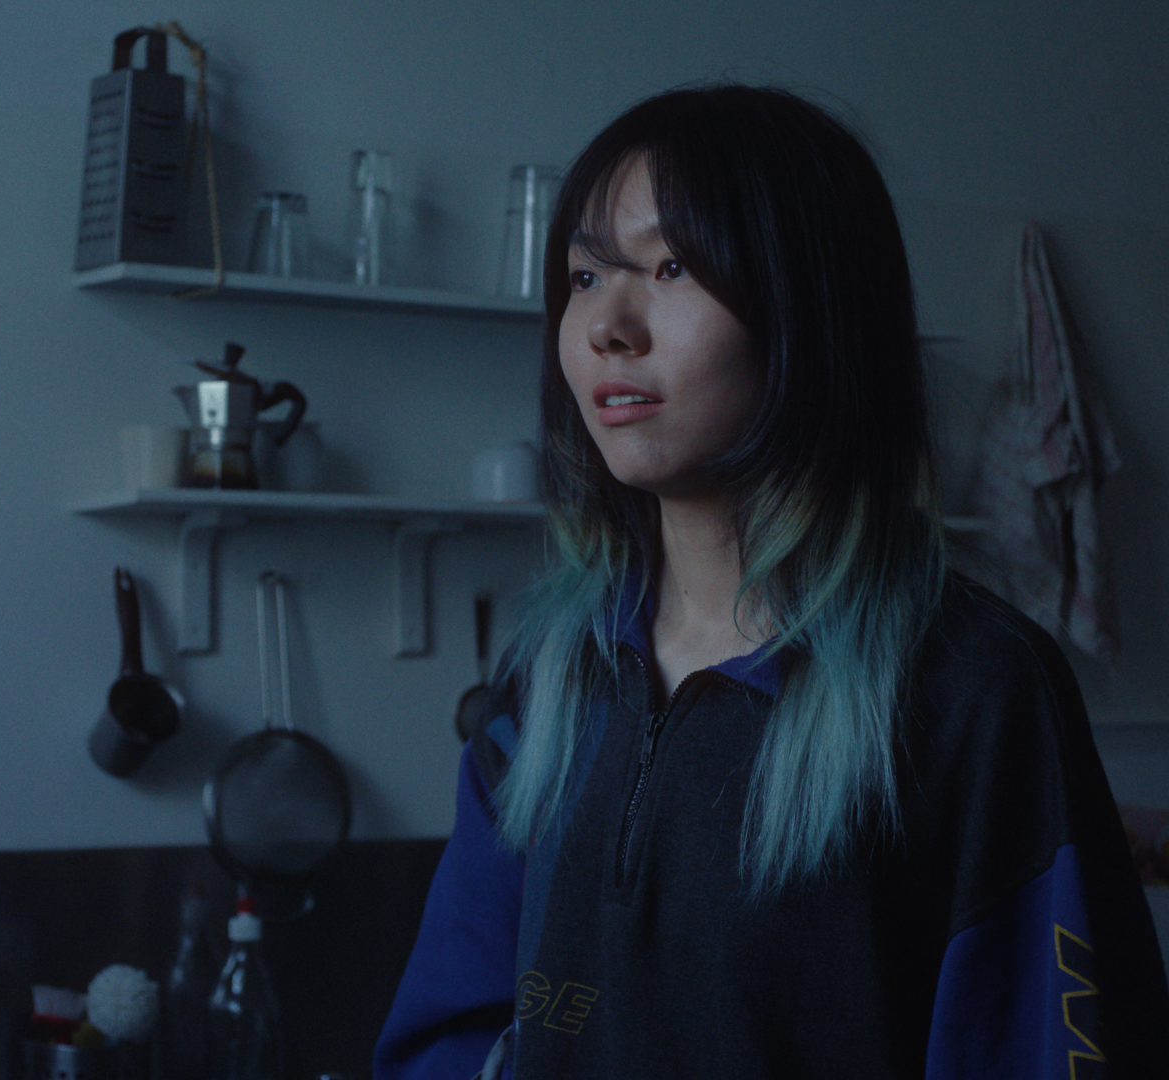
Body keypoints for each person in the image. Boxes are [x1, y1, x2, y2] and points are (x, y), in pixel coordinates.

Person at [373, 84, 1169, 1079]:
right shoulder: (547, 681)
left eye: (673, 266)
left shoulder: (975, 689)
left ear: (811, 308)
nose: (608, 325)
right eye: (585, 274)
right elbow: (449, 1033)